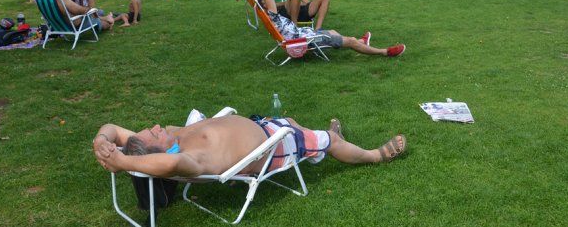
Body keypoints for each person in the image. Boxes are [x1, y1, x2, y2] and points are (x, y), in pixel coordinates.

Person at [92, 114, 407, 183]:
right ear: (154, 151)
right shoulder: (187, 160)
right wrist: (120, 162)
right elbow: (171, 166)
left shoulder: (172, 138)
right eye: (152, 132)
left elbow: (113, 128)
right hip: (274, 147)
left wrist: (101, 141)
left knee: (294, 122)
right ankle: (372, 155)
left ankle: (322, 145)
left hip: (266, 126)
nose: (157, 126)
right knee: (328, 139)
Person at [235, 0, 406, 58]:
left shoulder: (268, 15)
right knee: (350, 41)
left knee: (334, 33)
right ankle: (384, 52)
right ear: (264, 5)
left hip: (305, 34)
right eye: (266, 1)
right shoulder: (272, 15)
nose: (269, 1)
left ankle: (362, 42)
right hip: (306, 40)